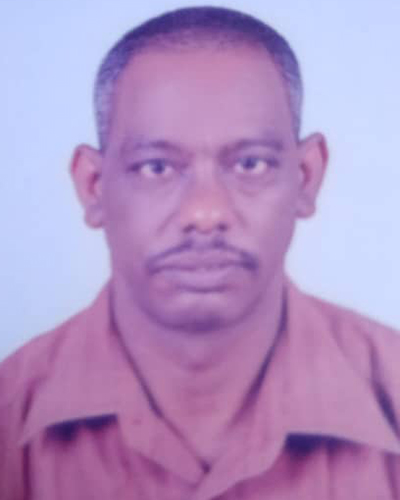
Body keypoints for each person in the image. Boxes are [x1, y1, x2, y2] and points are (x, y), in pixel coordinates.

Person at [1, 5, 400, 499]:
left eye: (250, 164)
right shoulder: (8, 418)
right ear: (94, 186)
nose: (206, 213)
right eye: (156, 167)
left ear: (305, 177)